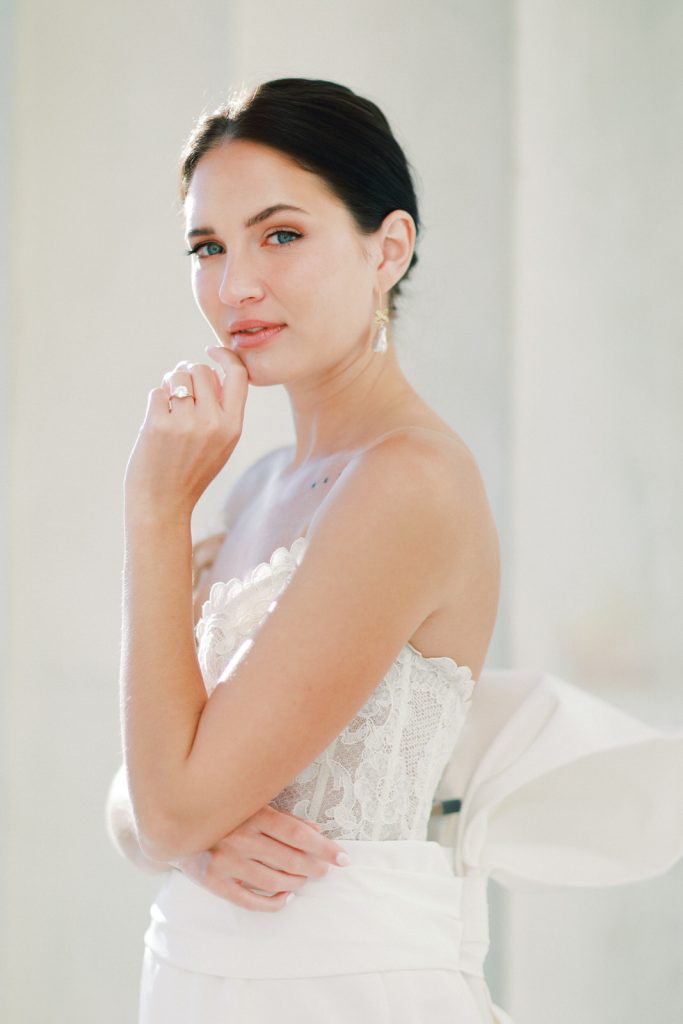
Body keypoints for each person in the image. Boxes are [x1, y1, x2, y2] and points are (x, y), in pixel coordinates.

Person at [108, 75, 503, 1022]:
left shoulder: (410, 481)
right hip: (201, 977)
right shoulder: (255, 484)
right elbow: (145, 789)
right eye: (209, 246)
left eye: (280, 235)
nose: (236, 284)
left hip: (343, 989)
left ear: (387, 249)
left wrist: (155, 516)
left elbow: (161, 807)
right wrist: (192, 841)